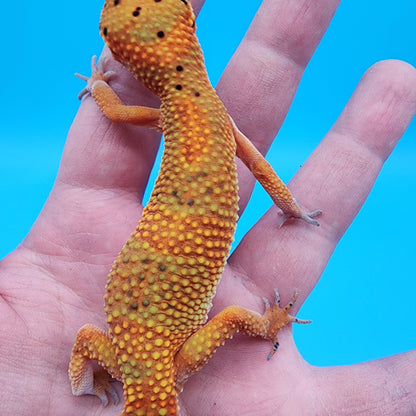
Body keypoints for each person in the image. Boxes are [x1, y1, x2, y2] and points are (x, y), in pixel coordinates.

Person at [1, 0, 415, 414]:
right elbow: (259, 166)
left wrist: (97, 84)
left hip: (151, 291)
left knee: (231, 318)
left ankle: (84, 384)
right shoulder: (211, 113)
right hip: (141, 308)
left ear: (126, 55)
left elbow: (114, 110)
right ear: (187, 22)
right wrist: (291, 208)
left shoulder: (171, 115)